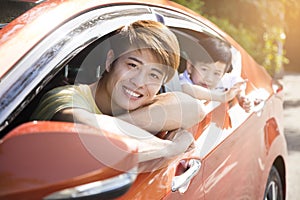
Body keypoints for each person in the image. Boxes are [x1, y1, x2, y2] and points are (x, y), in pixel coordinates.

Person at [31, 20, 206, 164]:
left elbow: (195, 109)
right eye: (132, 65)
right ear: (110, 61)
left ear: (163, 82)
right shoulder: (64, 97)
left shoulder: (141, 107)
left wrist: (120, 125)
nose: (139, 82)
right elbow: (81, 125)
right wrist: (169, 147)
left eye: (154, 74)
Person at [179, 37, 252, 112]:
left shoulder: (218, 80)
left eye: (216, 73)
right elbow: (186, 89)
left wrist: (241, 97)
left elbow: (236, 81)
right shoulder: (182, 80)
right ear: (190, 66)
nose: (209, 78)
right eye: (204, 69)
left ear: (222, 75)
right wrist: (222, 97)